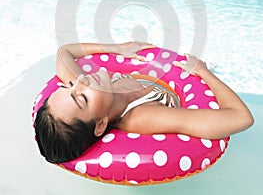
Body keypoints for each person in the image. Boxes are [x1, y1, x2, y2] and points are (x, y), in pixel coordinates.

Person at [34, 41, 254, 164]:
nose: (79, 80)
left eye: (68, 86)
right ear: (100, 124)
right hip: (176, 91)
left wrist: (116, 48)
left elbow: (64, 52)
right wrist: (204, 73)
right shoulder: (143, 117)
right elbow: (241, 118)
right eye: (81, 97)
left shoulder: (91, 87)